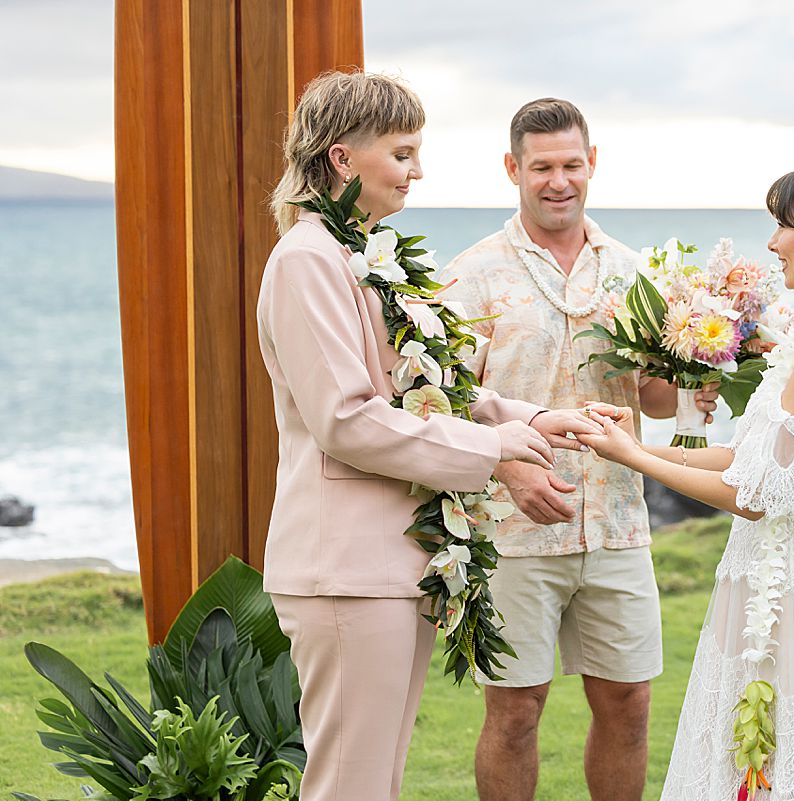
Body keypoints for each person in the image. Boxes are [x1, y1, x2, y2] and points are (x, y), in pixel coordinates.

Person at [256, 72, 606, 801]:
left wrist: (528, 419)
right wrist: (492, 452)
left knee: (373, 779)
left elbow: (424, 388)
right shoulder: (308, 260)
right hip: (343, 567)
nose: (418, 171)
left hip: (384, 564)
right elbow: (346, 418)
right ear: (343, 159)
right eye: (403, 153)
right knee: (350, 783)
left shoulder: (359, 252)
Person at [578, 158, 794, 799]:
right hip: (765, 581)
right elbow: (744, 462)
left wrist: (631, 460)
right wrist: (635, 442)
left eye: (783, 225)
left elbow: (751, 497)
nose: (772, 244)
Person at [438, 98, 719, 801]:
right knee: (514, 711)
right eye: (541, 167)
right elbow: (438, 400)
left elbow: (652, 395)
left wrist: (695, 384)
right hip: (513, 528)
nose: (557, 180)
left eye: (570, 164)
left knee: (629, 705)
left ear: (592, 163)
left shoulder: (633, 271)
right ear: (513, 169)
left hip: (620, 524)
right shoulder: (469, 276)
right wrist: (501, 461)